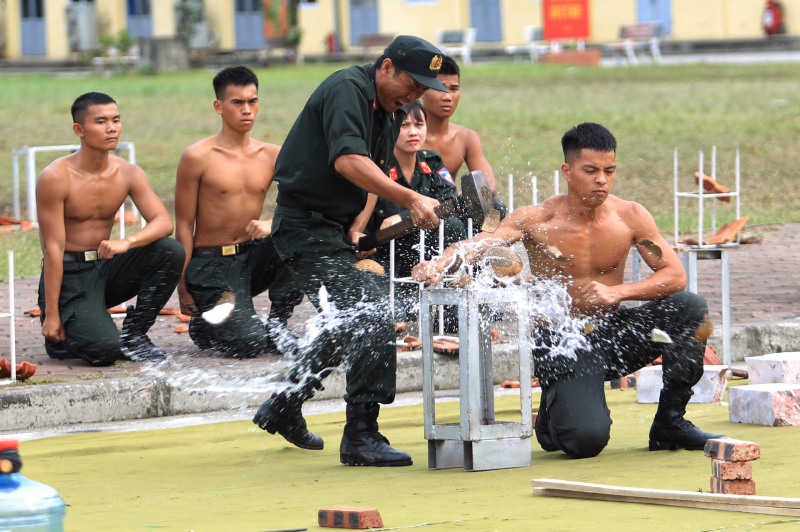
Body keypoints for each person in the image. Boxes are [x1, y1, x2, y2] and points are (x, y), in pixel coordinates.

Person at [413, 123, 725, 459]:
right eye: (590, 170)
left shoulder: (630, 216)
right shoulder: (537, 219)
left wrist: (618, 293)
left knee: (690, 306)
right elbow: (481, 243)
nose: (601, 179)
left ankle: (670, 422)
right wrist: (442, 262)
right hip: (562, 341)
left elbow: (675, 276)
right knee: (584, 442)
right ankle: (553, 412)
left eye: (609, 171)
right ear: (567, 171)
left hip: (611, 334)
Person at [252, 36, 444, 466]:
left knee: (353, 315)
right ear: (386, 67)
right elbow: (347, 161)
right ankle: (361, 434)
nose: (415, 96)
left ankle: (284, 402)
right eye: (411, 84)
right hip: (304, 227)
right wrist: (411, 199)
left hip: (334, 232)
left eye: (421, 90)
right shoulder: (348, 89)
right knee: (372, 308)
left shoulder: (388, 111)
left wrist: (361, 227)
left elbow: (369, 175)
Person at [37, 92, 184, 366]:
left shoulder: (128, 172)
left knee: (170, 250)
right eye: (101, 121)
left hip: (105, 266)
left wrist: (127, 242)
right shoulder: (55, 177)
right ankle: (64, 330)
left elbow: (164, 223)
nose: (111, 128)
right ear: (79, 130)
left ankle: (135, 334)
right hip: (70, 274)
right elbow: (53, 249)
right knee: (105, 350)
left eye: (116, 120)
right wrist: (52, 315)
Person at [174, 66, 304, 358]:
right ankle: (205, 326)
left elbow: (309, 198)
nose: (247, 110)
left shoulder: (272, 154)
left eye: (252, 101)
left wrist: (275, 222)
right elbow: (183, 225)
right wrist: (182, 288)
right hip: (212, 266)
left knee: (300, 234)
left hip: (252, 256)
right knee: (249, 344)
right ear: (219, 106)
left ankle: (278, 324)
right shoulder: (197, 156)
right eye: (238, 102)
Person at [366, 101, 466, 322]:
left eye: (419, 124)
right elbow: (381, 223)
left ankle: (447, 293)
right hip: (390, 255)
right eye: (404, 125)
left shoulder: (431, 160)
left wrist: (402, 216)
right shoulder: (377, 167)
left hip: (427, 250)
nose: (413, 132)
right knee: (397, 316)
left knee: (455, 226)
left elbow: (449, 200)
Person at [422, 56, 506, 217]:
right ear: (421, 91)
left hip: (450, 208)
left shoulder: (466, 137)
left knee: (495, 208)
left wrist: (453, 202)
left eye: (453, 89)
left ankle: (477, 243)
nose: (447, 96)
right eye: (440, 88)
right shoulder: (406, 136)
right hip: (412, 213)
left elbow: (488, 186)